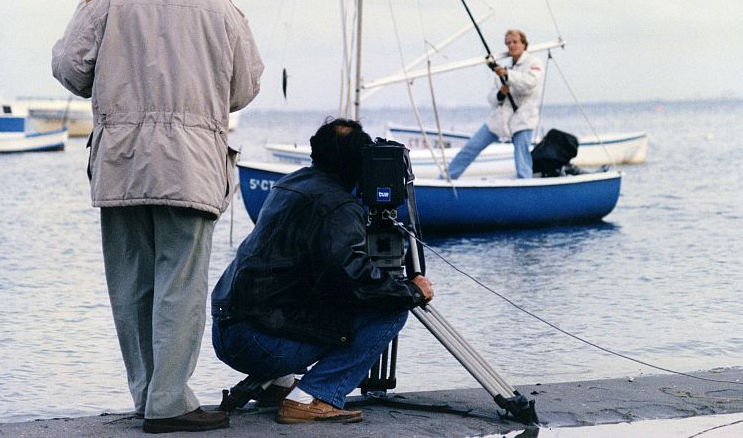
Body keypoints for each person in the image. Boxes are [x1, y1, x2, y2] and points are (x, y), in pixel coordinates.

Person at [51, 0, 264, 434]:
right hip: (191, 164)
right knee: (180, 286)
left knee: (130, 286)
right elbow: (245, 89)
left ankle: (150, 395)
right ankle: (169, 402)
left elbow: (70, 70)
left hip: (121, 162)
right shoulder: (222, 6)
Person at [211, 118, 434, 424]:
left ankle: (278, 386)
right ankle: (313, 397)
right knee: (392, 311)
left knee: (313, 297)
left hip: (228, 330)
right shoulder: (339, 206)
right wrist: (411, 290)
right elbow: (356, 280)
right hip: (260, 342)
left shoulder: (289, 183)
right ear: (361, 162)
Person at [446, 29, 543, 179]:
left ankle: (526, 186)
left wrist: (507, 75)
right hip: (500, 120)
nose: (512, 45)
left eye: (515, 42)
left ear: (524, 44)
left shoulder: (534, 63)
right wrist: (501, 94)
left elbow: (531, 82)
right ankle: (446, 178)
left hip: (523, 119)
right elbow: (491, 98)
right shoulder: (505, 68)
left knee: (521, 158)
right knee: (470, 147)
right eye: (508, 43)